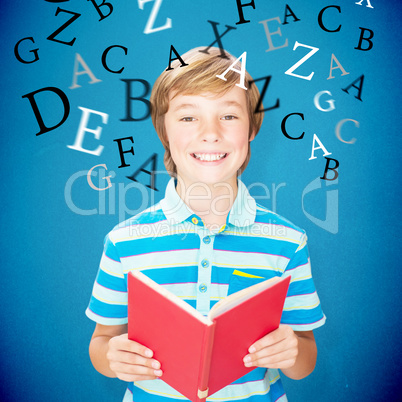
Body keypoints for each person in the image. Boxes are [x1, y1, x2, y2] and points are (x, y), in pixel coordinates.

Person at [86, 46, 326, 402]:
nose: (210, 133)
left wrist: (292, 351)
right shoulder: (125, 241)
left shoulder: (287, 241)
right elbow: (101, 342)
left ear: (252, 129)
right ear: (164, 130)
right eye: (188, 117)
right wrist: (111, 356)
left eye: (228, 116)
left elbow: (305, 356)